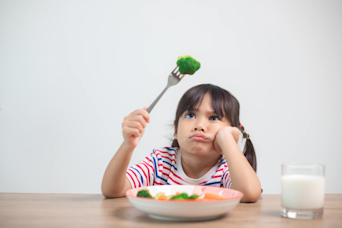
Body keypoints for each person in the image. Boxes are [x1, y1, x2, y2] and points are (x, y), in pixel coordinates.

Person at [102, 84, 261, 202]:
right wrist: (127, 146)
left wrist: (227, 140)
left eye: (213, 118)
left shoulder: (227, 168)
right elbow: (112, 190)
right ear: (176, 130)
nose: (199, 125)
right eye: (191, 115)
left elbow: (249, 194)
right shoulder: (160, 162)